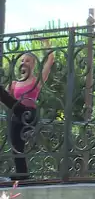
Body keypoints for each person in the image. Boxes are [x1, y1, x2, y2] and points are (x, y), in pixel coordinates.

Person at [0, 39, 55, 180]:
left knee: (12, 102)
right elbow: (7, 102)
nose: (24, 62)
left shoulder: (37, 80)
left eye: (28, 60)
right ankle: (22, 175)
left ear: (34, 63)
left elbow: (50, 61)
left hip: (29, 114)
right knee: (16, 146)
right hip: (16, 117)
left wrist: (47, 44)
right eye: (22, 60)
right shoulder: (14, 84)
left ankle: (22, 175)